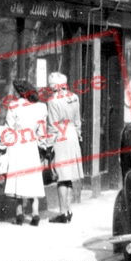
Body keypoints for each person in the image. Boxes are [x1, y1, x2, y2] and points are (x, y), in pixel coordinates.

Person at [4, 79, 49, 226]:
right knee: (32, 178)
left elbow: (9, 128)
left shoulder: (14, 106)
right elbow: (42, 131)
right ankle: (35, 212)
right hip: (31, 145)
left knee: (18, 178)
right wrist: (42, 146)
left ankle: (19, 214)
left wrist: (5, 145)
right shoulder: (41, 107)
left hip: (17, 144)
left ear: (19, 92)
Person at [46, 72, 84, 223]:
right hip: (72, 133)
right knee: (68, 175)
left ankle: (62, 212)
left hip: (61, 135)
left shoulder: (53, 101)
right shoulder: (74, 97)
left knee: (61, 175)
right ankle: (68, 210)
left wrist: (49, 145)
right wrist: (78, 135)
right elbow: (77, 120)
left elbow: (53, 126)